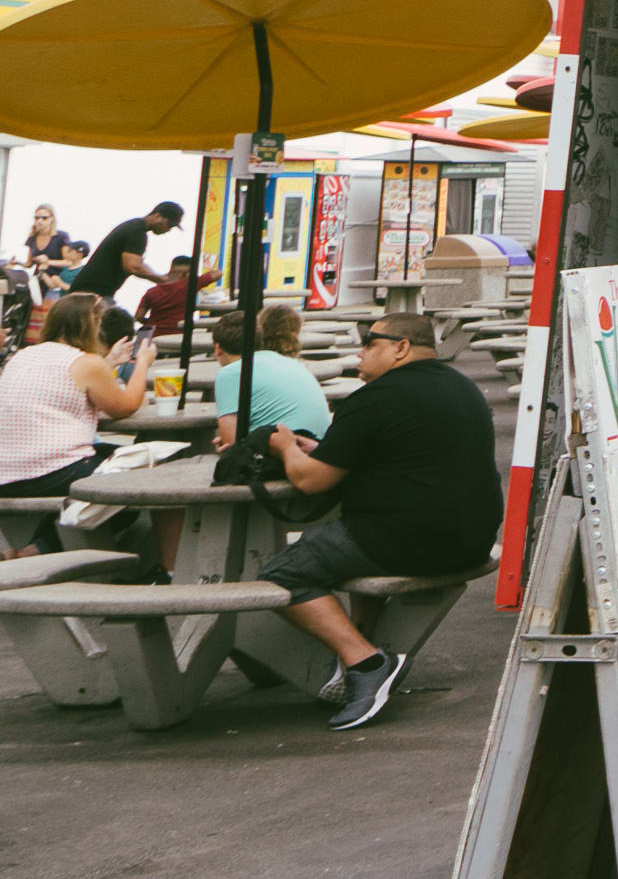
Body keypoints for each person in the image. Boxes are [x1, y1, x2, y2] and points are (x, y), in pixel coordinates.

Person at [263, 311, 499, 729]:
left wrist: (285, 448)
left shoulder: (373, 398)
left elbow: (310, 480)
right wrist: (324, 449)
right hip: (473, 538)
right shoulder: (462, 386)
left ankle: (365, 662)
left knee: (282, 573)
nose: (360, 353)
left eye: (370, 343)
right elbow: (403, 448)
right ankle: (360, 643)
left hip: (407, 541)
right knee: (350, 535)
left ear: (400, 348)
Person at [0, 293, 157, 551]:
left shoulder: (22, 356)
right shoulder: (87, 363)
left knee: (114, 463)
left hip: (6, 472)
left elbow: (68, 381)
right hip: (54, 469)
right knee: (131, 489)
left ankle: (33, 548)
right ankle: (38, 549)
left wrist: (109, 361)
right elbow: (125, 406)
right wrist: (142, 363)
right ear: (91, 326)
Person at [202, 298, 330, 441]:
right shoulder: (290, 362)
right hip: (320, 444)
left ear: (218, 348)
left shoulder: (232, 373)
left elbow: (231, 442)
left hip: (292, 447)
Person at [67, 199, 183, 305]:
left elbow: (138, 264)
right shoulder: (137, 232)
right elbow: (133, 267)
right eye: (170, 224)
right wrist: (162, 279)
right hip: (91, 292)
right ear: (157, 216)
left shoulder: (134, 227)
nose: (169, 229)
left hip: (90, 290)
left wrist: (161, 277)